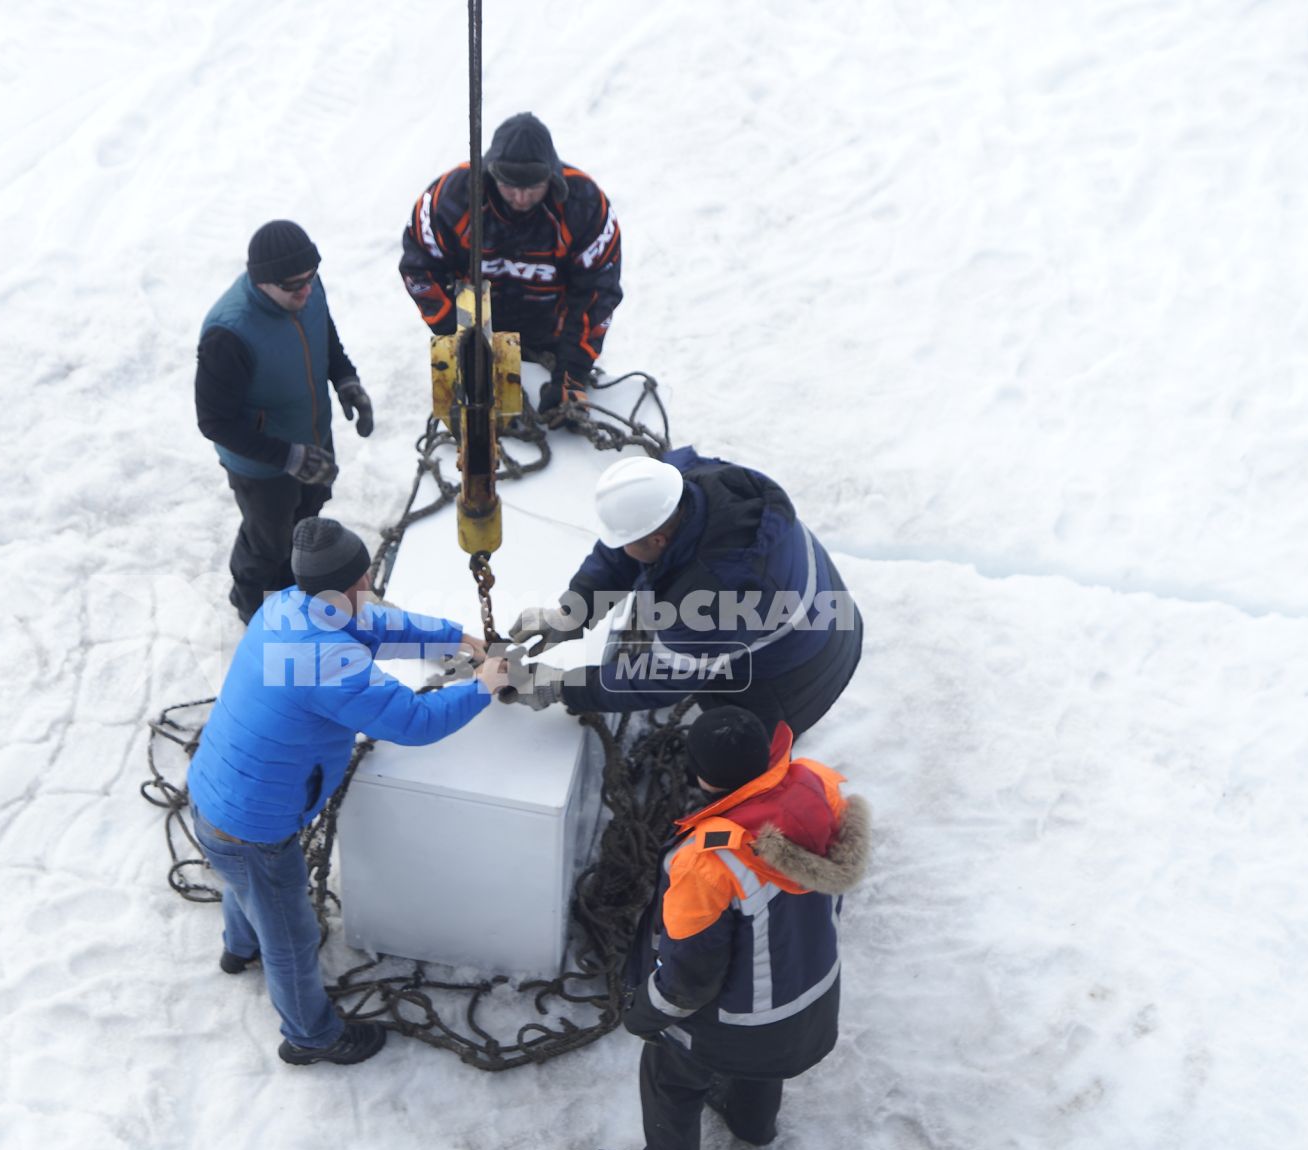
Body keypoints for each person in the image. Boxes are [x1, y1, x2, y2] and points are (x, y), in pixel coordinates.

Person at [185, 517, 510, 1066]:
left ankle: (239, 950)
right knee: (289, 939)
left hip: (216, 795)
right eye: (365, 577)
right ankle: (311, 1037)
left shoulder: (287, 605)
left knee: (246, 886)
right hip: (253, 826)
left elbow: (379, 624)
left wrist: (456, 638)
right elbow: (412, 722)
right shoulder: (325, 659)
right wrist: (483, 686)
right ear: (353, 582)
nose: (371, 586)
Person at [593, 706, 872, 1150]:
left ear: (701, 774)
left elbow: (689, 978)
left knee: (668, 1073)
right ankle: (753, 1124)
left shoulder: (708, 860)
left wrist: (645, 1013)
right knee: (759, 1061)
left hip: (741, 1029)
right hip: (812, 1002)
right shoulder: (820, 793)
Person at [508, 449, 863, 736]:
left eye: (627, 541)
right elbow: (623, 548)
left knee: (729, 741)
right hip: (822, 609)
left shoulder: (712, 600)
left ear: (658, 540)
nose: (619, 546)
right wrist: (573, 610)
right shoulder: (684, 484)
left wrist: (563, 686)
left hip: (799, 677)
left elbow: (664, 678)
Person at [198, 220, 376, 623]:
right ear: (263, 283)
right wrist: (288, 457)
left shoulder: (306, 290)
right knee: (268, 540)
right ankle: (253, 611)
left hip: (312, 439)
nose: (307, 290)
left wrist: (346, 380)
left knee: (307, 521)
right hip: (261, 464)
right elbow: (214, 422)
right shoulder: (228, 333)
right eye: (295, 285)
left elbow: (324, 337)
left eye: (311, 278)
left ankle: (295, 592)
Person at [399, 112, 623, 416]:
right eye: (509, 186)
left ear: (551, 179)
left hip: (553, 339)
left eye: (533, 187)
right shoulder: (450, 198)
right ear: (491, 175)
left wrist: (573, 373)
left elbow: (598, 293)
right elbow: (419, 268)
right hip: (470, 328)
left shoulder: (585, 206)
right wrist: (455, 337)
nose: (520, 197)